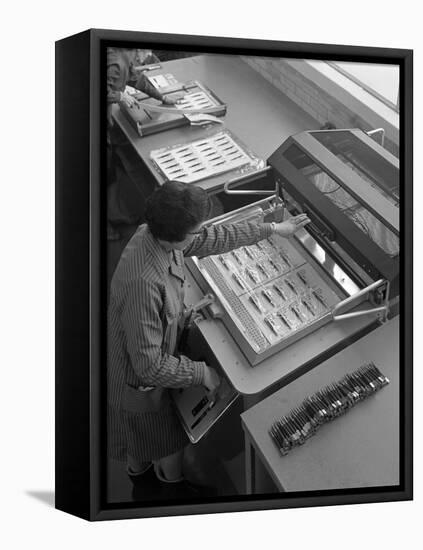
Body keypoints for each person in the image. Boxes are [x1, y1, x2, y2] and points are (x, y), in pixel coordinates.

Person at [107, 181, 310, 496]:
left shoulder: (154, 235)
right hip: (138, 382)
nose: (199, 234)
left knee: (139, 440)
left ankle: (140, 475)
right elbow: (148, 367)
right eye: (194, 230)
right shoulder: (143, 283)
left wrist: (273, 228)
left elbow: (213, 238)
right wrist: (203, 373)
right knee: (164, 440)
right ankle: (167, 489)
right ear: (177, 235)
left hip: (136, 363)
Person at [106, 47, 183, 240]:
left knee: (110, 171)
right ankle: (105, 226)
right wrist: (120, 95)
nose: (146, 58)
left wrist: (163, 97)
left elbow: (137, 80)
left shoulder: (127, 59)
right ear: (138, 51)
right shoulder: (115, 63)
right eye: (145, 54)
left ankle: (115, 206)